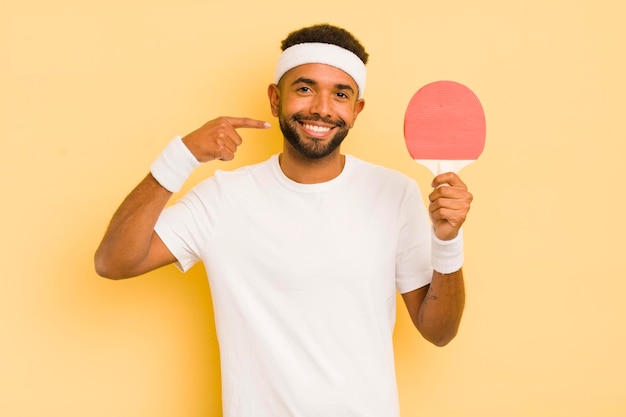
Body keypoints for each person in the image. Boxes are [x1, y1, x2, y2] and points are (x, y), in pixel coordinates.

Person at [95, 23, 473, 417]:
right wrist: (180, 157)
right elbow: (113, 262)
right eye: (305, 88)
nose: (322, 109)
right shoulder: (223, 198)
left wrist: (448, 242)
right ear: (275, 98)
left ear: (356, 110)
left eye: (340, 94)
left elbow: (439, 331)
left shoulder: (395, 193)